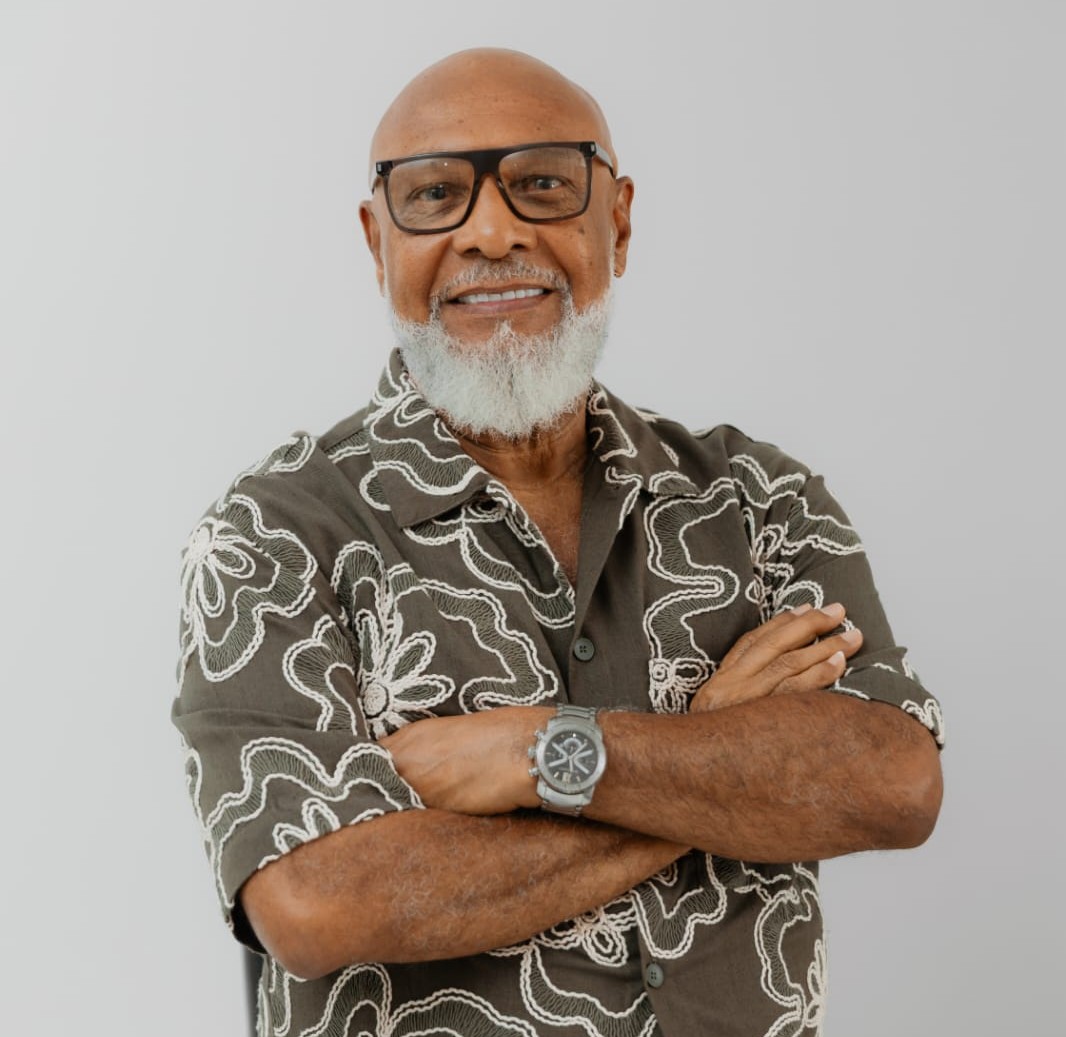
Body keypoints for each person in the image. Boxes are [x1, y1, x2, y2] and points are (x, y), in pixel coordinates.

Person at [173, 47, 944, 1037]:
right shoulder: (276, 531)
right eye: (435, 194)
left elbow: (891, 780)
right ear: (377, 241)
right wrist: (715, 748)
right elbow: (317, 903)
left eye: (541, 184)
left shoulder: (756, 498)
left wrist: (535, 750)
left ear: (616, 221)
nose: (492, 232)